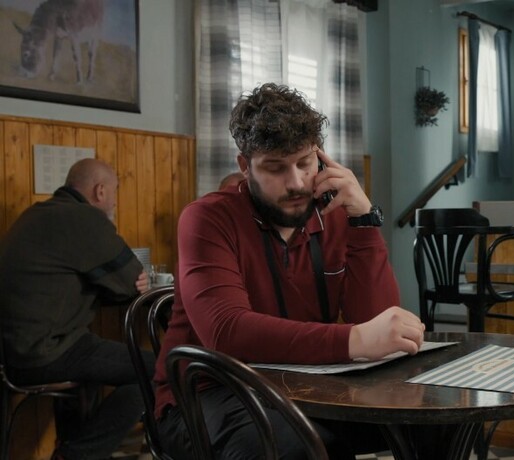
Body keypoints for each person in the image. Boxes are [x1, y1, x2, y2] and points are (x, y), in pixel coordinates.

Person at [153, 82, 425, 460]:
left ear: (321, 159)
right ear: (245, 167)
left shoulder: (335, 214)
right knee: (297, 448)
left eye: (304, 163)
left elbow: (378, 319)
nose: (296, 182)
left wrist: (364, 220)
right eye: (275, 168)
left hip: (307, 384)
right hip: (208, 391)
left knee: (430, 425)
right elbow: (226, 331)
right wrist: (355, 340)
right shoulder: (207, 218)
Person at [0, 158, 153, 460]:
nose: (115, 201)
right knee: (159, 369)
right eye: (115, 192)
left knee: (93, 358)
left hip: (13, 352)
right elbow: (130, 280)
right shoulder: (85, 218)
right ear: (100, 191)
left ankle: (74, 447)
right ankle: (77, 456)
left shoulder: (36, 213)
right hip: (44, 352)